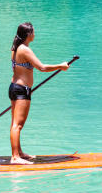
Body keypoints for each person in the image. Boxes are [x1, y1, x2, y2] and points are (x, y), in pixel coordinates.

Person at [8, 22, 70, 165]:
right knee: (17, 125)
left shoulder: (15, 48)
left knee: (15, 124)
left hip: (14, 87)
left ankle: (19, 153)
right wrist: (60, 66)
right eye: (33, 32)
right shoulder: (24, 49)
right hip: (21, 90)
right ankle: (15, 157)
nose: (35, 34)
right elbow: (42, 67)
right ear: (28, 34)